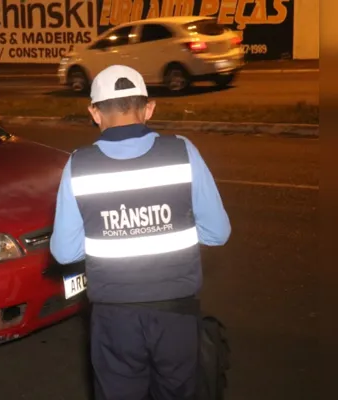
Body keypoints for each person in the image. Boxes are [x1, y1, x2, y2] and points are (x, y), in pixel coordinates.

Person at [49, 65, 231, 400]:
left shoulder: (78, 165)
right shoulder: (183, 151)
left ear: (94, 113)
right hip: (176, 316)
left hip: (114, 318)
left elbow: (64, 252)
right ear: (148, 108)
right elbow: (217, 232)